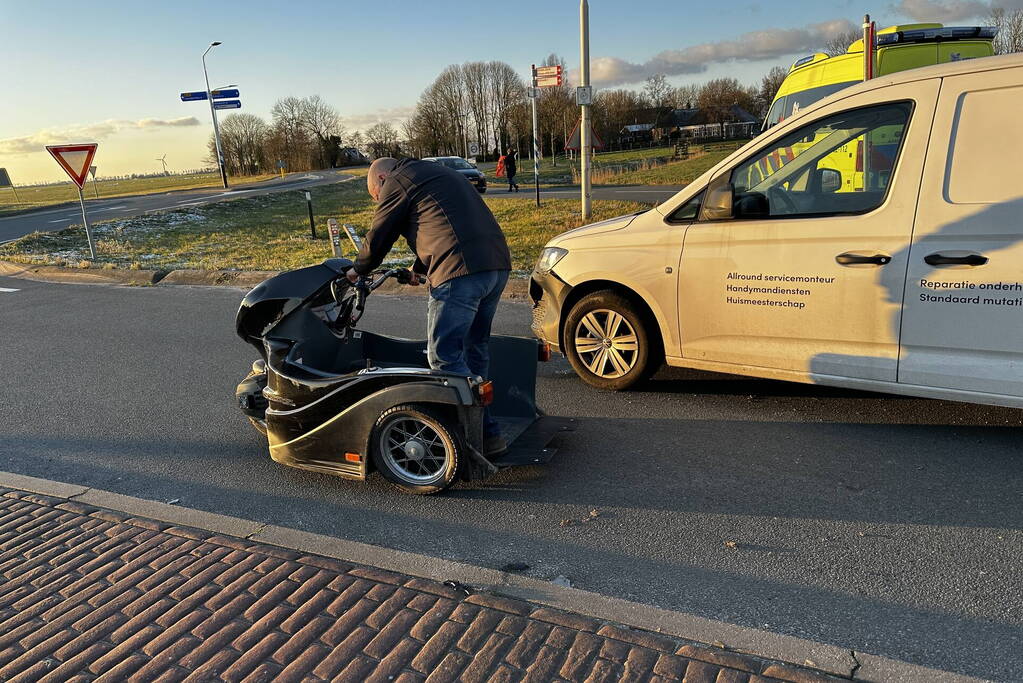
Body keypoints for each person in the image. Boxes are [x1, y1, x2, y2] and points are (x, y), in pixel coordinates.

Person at [347, 157, 513, 454]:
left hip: (460, 272)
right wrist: (420, 270)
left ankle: (473, 437)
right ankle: (488, 435)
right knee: (474, 350)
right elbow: (444, 223)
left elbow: (380, 234)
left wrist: (356, 270)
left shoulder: (396, 180)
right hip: (495, 266)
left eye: (376, 196)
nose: (379, 200)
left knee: (444, 357)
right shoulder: (434, 172)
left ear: (382, 178)